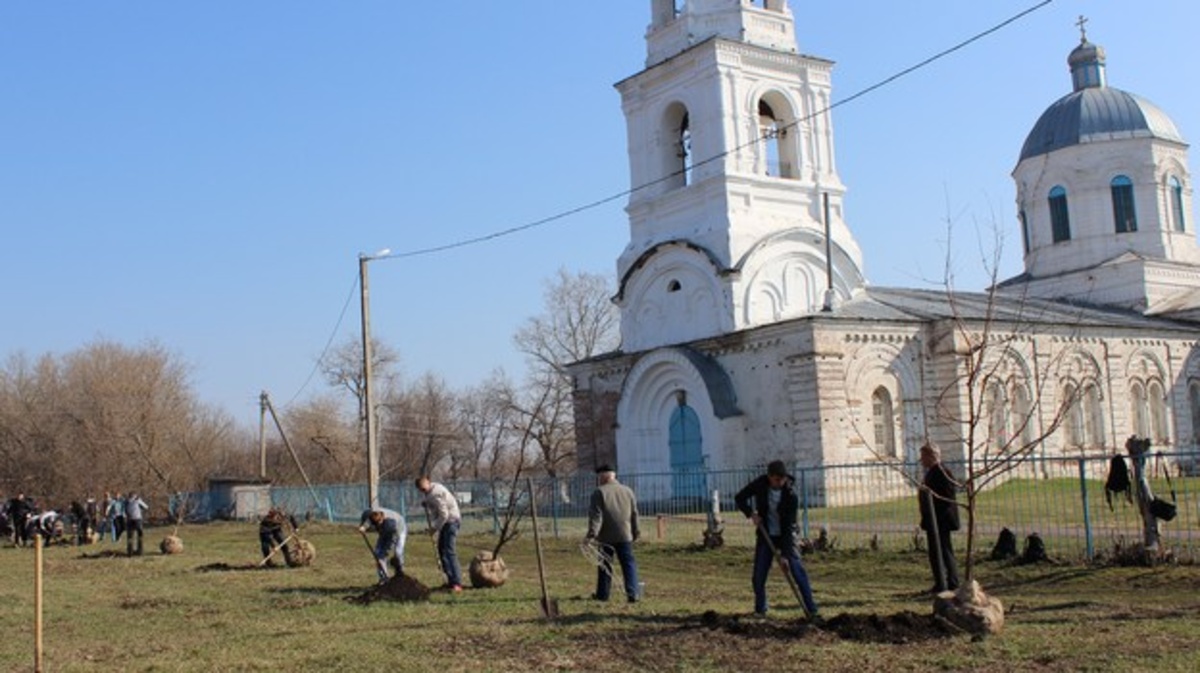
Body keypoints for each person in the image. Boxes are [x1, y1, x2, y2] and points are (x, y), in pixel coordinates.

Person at [734, 460, 819, 618]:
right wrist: (751, 514)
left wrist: (785, 555)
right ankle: (761, 610)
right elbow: (739, 498)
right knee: (758, 575)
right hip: (766, 535)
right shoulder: (760, 484)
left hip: (787, 536)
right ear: (769, 477)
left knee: (797, 571)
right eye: (776, 480)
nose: (780, 483)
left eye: (782, 479)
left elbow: (788, 526)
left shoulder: (791, 495)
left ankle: (812, 610)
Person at [585, 465, 641, 603]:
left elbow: (597, 517)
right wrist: (636, 532)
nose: (598, 479)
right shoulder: (628, 491)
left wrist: (591, 535)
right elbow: (635, 514)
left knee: (605, 565)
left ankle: (603, 594)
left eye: (599, 476)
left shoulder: (599, 492)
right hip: (625, 535)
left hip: (606, 536)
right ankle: (633, 593)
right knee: (628, 564)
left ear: (605, 476)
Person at [918, 442, 960, 593]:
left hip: (940, 521)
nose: (921, 460)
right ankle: (941, 582)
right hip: (933, 521)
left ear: (932, 456)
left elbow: (947, 498)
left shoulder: (942, 472)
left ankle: (951, 582)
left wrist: (935, 516)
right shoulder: (932, 472)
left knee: (943, 551)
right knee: (936, 553)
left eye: (923, 457)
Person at [415, 476, 463, 591]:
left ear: (428, 483)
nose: (423, 491)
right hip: (446, 523)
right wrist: (426, 503)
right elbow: (434, 504)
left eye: (424, 489)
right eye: (421, 490)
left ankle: (457, 583)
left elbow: (444, 515)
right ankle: (450, 581)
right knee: (442, 550)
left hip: (451, 522)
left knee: (449, 551)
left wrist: (434, 528)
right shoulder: (431, 491)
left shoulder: (436, 493)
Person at [358, 507, 407, 583]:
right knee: (378, 553)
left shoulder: (390, 523)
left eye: (377, 523)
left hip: (398, 530)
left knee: (398, 552)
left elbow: (392, 539)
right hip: (385, 531)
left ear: (381, 518)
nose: (375, 526)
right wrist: (364, 527)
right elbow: (369, 520)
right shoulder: (373, 514)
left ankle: (400, 574)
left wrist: (386, 551)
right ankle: (383, 578)